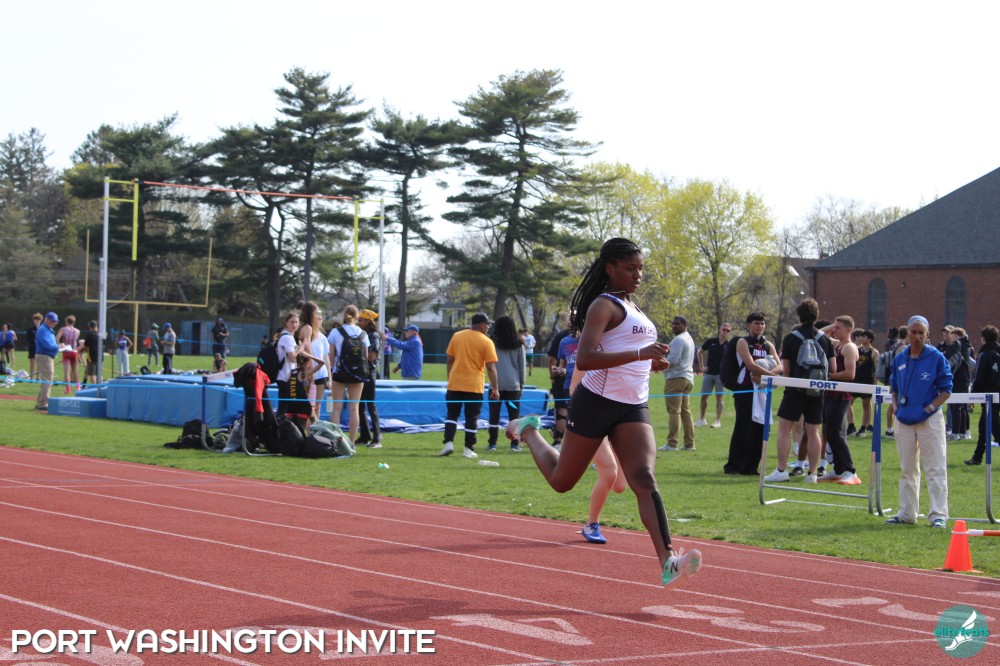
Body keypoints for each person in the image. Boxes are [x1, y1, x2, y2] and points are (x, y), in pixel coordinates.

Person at [504, 237, 702, 588]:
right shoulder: (603, 305)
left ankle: (668, 561)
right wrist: (640, 354)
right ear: (610, 268)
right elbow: (585, 358)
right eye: (630, 268)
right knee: (562, 482)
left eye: (641, 268)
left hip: (633, 406)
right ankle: (529, 429)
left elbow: (627, 351)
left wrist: (650, 363)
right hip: (596, 401)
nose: (638, 275)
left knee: (644, 479)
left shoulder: (634, 308)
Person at [885, 315, 952, 528]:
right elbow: (894, 386)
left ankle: (938, 514)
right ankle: (907, 513)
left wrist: (930, 408)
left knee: (935, 467)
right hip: (904, 419)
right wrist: (895, 406)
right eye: (913, 332)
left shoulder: (936, 357)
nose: (916, 336)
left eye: (921, 333)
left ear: (927, 335)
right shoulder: (899, 358)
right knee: (907, 468)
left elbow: (946, 388)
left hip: (929, 420)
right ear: (907, 333)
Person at [763, 298, 836, 483]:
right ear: (816, 315)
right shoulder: (825, 339)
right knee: (813, 431)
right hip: (817, 390)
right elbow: (833, 368)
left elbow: (786, 369)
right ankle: (812, 474)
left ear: (799, 315)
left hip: (795, 389)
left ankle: (782, 470)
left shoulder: (791, 338)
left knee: (784, 429)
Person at [725, 312, 780, 475]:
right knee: (744, 428)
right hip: (745, 390)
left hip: (762, 391)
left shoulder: (768, 345)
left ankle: (751, 467)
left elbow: (780, 365)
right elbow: (750, 364)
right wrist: (772, 377)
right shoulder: (743, 342)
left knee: (760, 429)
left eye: (762, 323)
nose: (760, 326)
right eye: (756, 323)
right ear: (749, 325)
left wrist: (767, 377)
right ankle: (734, 466)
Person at [439, 313, 500, 458]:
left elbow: (449, 360)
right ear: (480, 325)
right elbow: (491, 367)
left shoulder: (457, 336)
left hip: (455, 383)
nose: (488, 327)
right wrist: (495, 388)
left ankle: (448, 443)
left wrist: (450, 378)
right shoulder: (487, 341)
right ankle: (468, 449)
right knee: (472, 417)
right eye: (487, 324)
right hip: (474, 385)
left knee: (452, 414)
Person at [817, 316, 861, 485]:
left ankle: (850, 471)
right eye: (834, 327)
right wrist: (833, 325)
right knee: (830, 432)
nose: (834, 330)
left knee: (837, 433)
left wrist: (829, 377)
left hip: (841, 394)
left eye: (838, 328)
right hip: (830, 393)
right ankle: (838, 469)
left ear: (848, 330)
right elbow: (819, 334)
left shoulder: (849, 347)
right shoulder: (837, 344)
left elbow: (850, 374)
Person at [328, 305, 370, 444]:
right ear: (357, 316)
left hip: (340, 371)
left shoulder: (336, 332)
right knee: (354, 409)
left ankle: (336, 442)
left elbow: (331, 355)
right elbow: (365, 356)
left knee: (336, 408)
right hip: (357, 373)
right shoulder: (362, 333)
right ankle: (351, 443)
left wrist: (333, 370)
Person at [487, 314, 526, 451]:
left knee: (494, 415)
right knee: (514, 416)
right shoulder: (518, 344)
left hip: (495, 386)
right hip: (513, 387)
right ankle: (514, 444)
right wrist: (521, 385)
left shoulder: (492, 342)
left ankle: (492, 443)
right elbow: (522, 367)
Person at [659, 315, 696, 451]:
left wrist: (659, 362)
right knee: (685, 412)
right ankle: (689, 444)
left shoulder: (678, 340)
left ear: (685, 325)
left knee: (674, 411)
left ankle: (672, 443)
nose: (674, 326)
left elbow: (673, 360)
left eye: (677, 324)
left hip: (676, 378)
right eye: (673, 324)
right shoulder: (689, 338)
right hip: (688, 378)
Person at [965, 325, 1000, 466]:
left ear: (983, 338)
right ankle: (977, 457)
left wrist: (972, 397)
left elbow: (979, 378)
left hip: (988, 396)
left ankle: (977, 457)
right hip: (997, 394)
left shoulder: (985, 355)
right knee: (983, 427)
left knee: (994, 428)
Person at [298, 301, 331, 425]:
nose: (319, 318)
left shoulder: (322, 337)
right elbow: (305, 351)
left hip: (321, 374)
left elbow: (326, 358)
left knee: (317, 405)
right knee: (308, 406)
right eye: (317, 314)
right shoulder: (305, 330)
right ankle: (308, 430)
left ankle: (314, 430)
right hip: (309, 373)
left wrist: (330, 378)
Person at [356, 309, 383, 448]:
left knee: (370, 405)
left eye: (361, 320)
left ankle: (377, 437)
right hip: (361, 372)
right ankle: (365, 435)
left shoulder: (374, 336)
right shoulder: (362, 334)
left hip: (369, 373)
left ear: (368, 322)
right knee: (360, 405)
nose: (359, 323)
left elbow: (371, 356)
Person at [695, 323, 730, 428]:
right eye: (724, 329)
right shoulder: (711, 341)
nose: (725, 332)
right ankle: (702, 419)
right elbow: (699, 352)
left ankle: (717, 421)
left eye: (728, 330)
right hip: (709, 374)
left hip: (721, 375)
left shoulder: (729, 345)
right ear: (720, 330)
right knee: (704, 397)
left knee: (719, 398)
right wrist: (701, 367)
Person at [547, 312, 572, 448]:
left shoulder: (562, 338)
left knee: (562, 409)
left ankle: (558, 440)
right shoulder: (589, 336)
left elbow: (552, 360)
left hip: (564, 379)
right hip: (583, 380)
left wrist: (552, 377)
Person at [849, 328, 879, 436]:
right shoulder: (857, 349)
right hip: (855, 381)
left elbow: (876, 370)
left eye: (864, 336)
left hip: (867, 382)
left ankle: (863, 428)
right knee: (848, 402)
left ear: (870, 339)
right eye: (861, 336)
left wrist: (875, 384)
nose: (862, 338)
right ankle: (851, 426)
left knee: (866, 405)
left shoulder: (874, 352)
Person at [273, 311, 303, 417]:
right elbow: (293, 358)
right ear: (286, 323)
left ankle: (281, 423)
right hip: (285, 376)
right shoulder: (287, 338)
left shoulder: (288, 336)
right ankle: (279, 424)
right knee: (284, 407)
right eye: (292, 322)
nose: (294, 325)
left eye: (296, 322)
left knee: (286, 406)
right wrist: (301, 349)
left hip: (286, 376)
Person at [34, 312, 59, 411]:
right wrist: (58, 347)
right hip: (45, 356)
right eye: (52, 321)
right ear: (47, 320)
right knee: (48, 380)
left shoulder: (49, 330)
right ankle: (43, 403)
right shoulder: (43, 330)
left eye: (56, 321)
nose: (54, 323)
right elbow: (47, 345)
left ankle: (40, 402)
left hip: (47, 356)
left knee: (46, 380)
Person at [56, 315, 81, 392]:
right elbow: (75, 341)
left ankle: (68, 389)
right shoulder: (77, 331)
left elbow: (57, 338)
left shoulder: (63, 329)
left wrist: (60, 344)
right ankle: (78, 387)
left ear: (67, 322)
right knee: (75, 371)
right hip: (74, 352)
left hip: (66, 351)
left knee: (66, 371)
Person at [77, 320, 100, 387]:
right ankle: (85, 384)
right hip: (100, 357)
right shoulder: (100, 335)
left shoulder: (89, 335)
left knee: (92, 374)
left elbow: (85, 345)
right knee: (98, 373)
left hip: (92, 357)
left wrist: (76, 350)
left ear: (90, 327)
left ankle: (94, 388)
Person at [26, 314, 41, 378]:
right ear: (34, 321)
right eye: (35, 320)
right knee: (32, 365)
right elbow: (28, 339)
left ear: (40, 320)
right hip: (32, 349)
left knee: (39, 365)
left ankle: (38, 378)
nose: (37, 321)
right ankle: (31, 378)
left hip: (40, 350)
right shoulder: (30, 330)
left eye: (38, 320)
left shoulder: (42, 329)